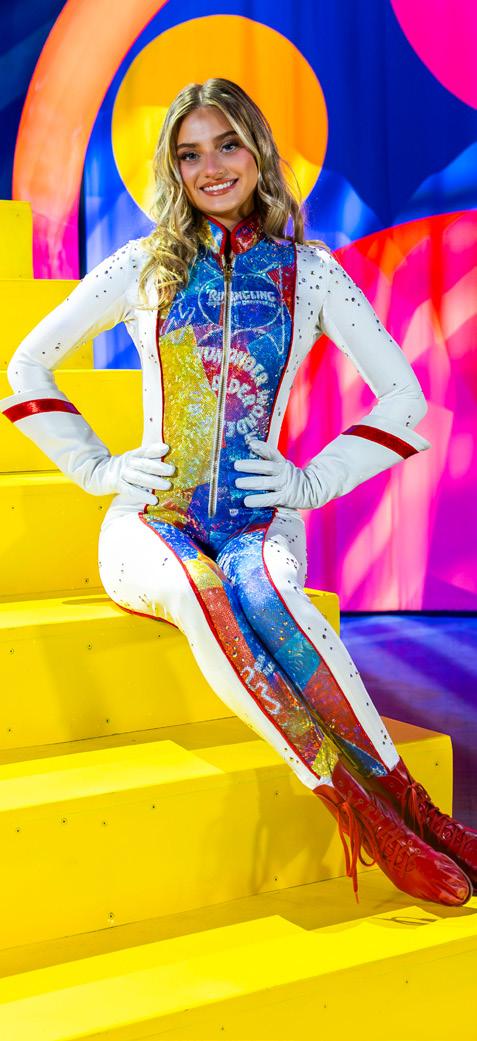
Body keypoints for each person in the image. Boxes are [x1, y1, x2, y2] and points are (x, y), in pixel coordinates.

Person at [2, 77, 476, 906]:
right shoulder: (142, 265)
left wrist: (312, 480)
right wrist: (98, 468)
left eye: (227, 144)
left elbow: (404, 399)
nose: (211, 167)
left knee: (270, 593)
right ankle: (359, 810)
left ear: (258, 151)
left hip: (260, 520)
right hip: (149, 525)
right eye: (190, 154)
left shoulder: (311, 273)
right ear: (173, 168)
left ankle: (417, 807)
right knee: (204, 593)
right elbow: (26, 365)